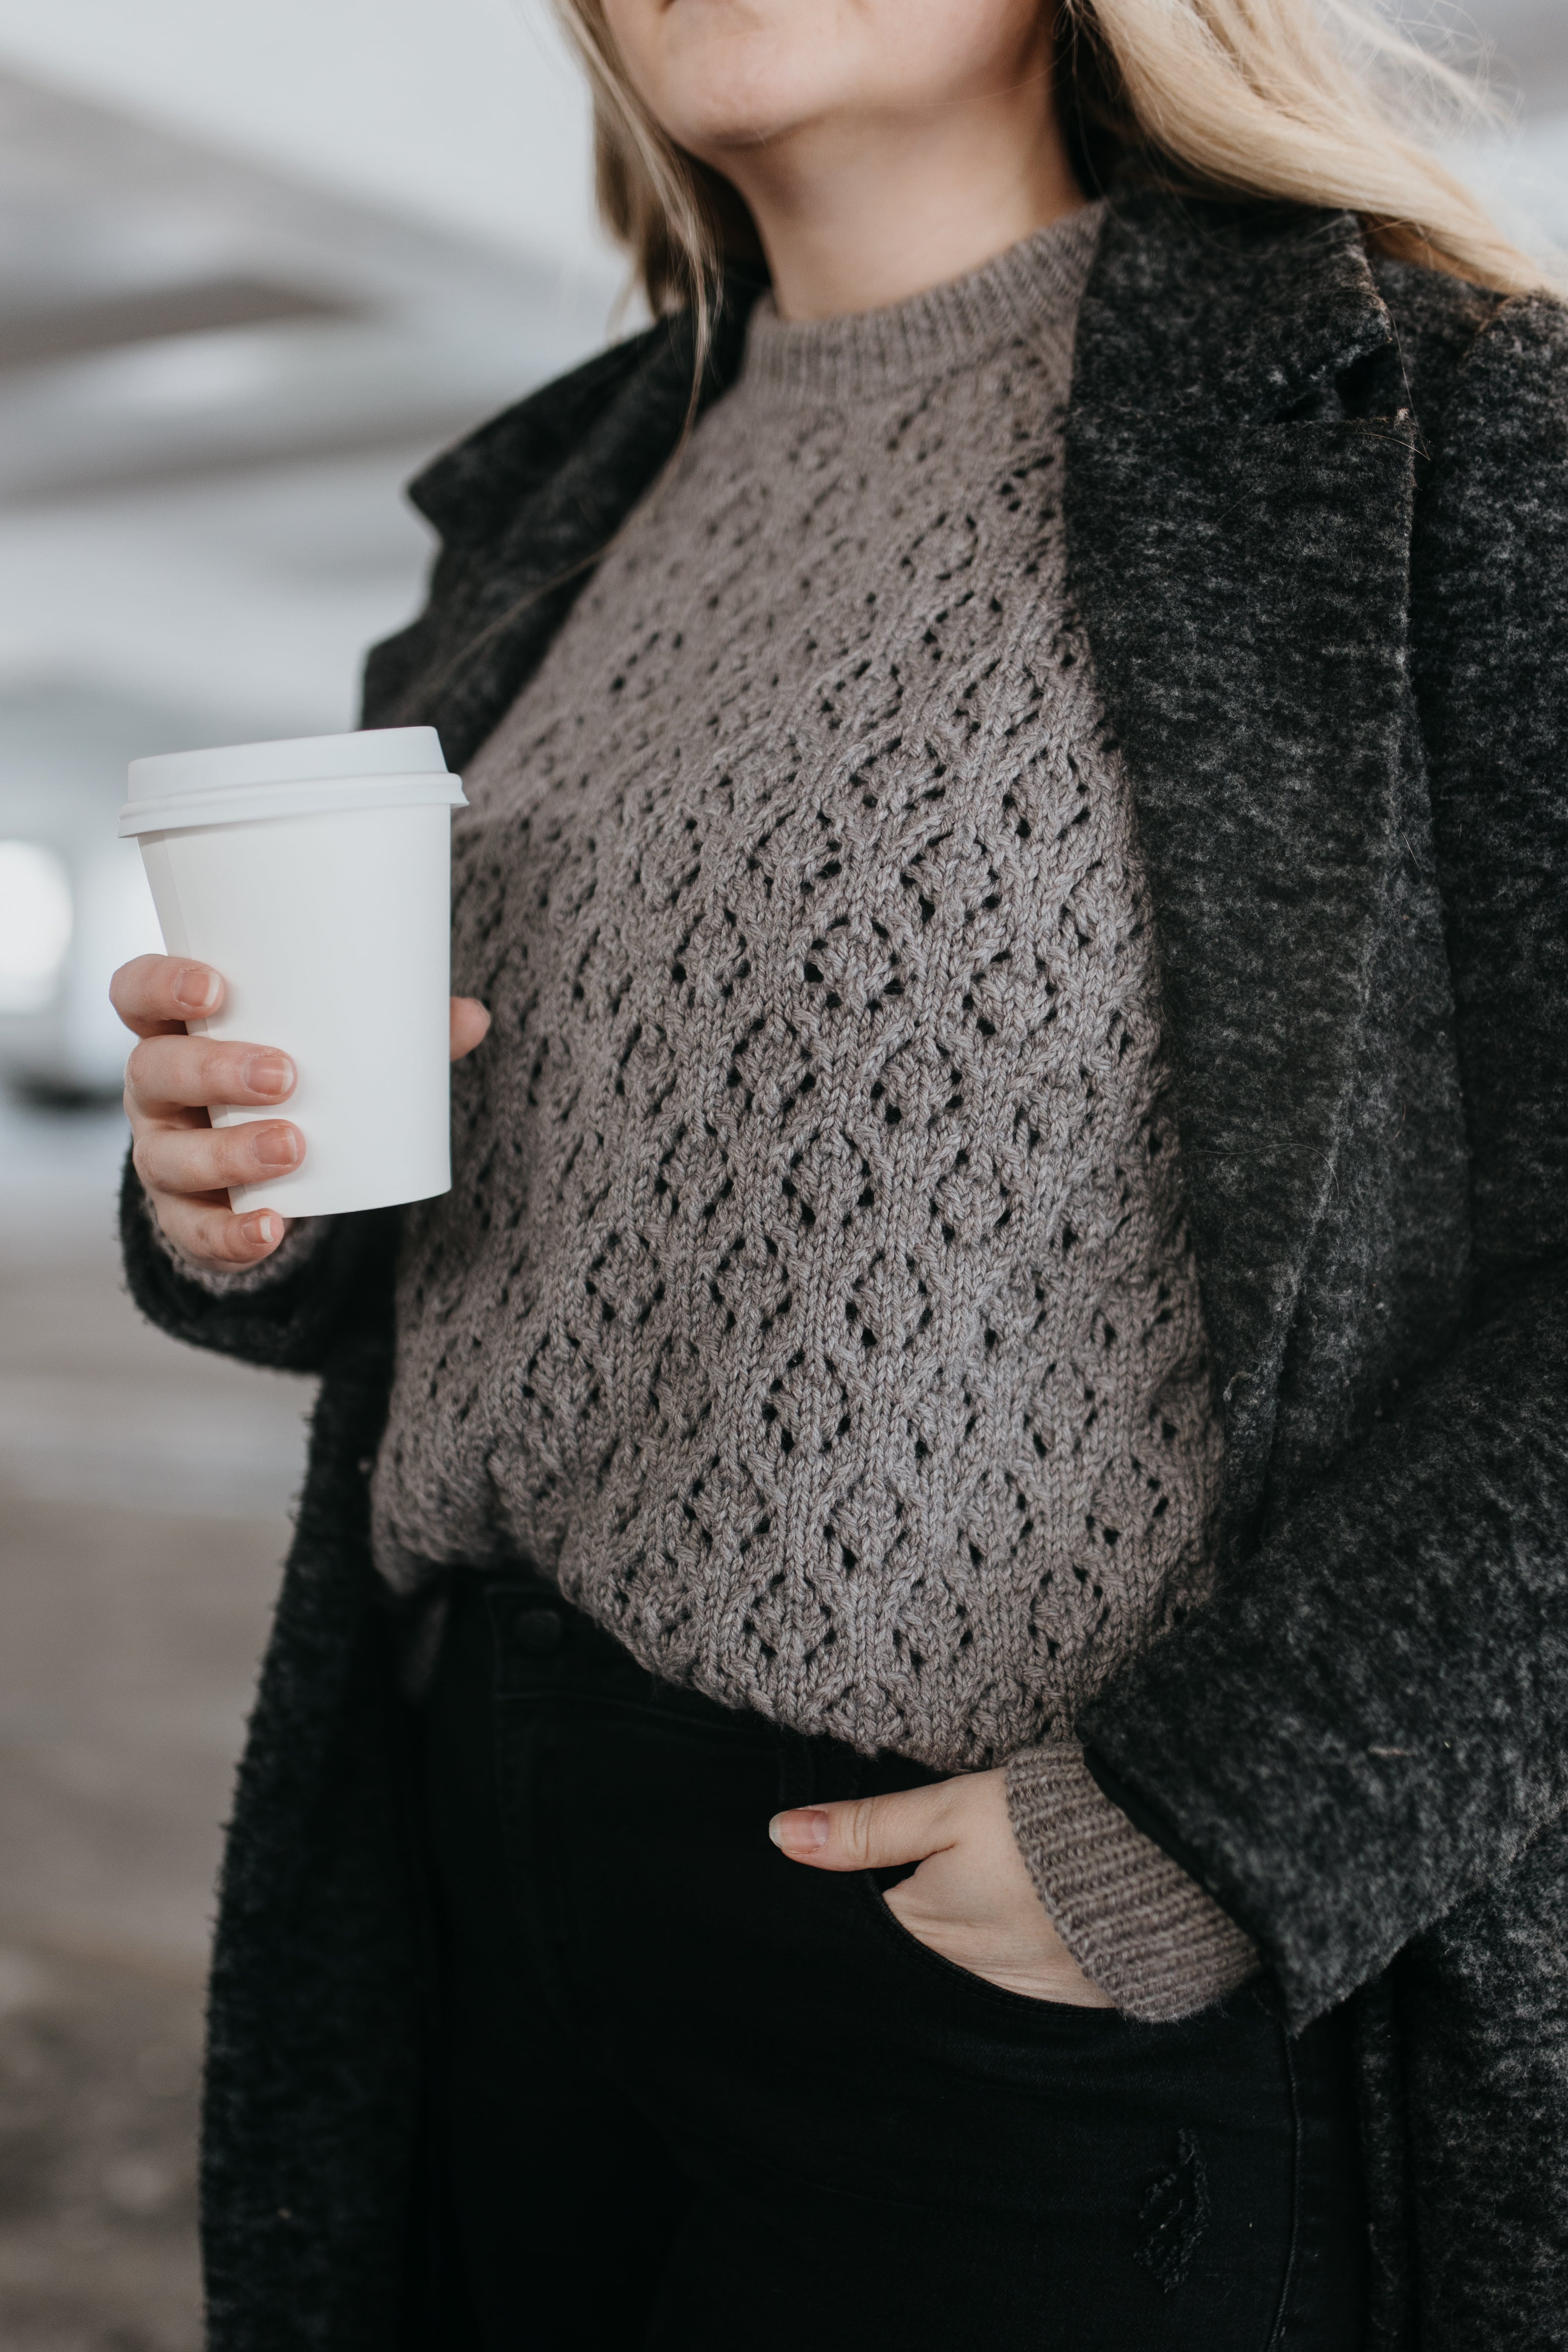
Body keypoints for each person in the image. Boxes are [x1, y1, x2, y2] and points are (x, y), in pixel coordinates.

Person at [111, 0, 1568, 2346]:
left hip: (1036, 1972)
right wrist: (230, 1194)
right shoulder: (571, 493)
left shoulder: (1443, 425)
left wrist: (1227, 1814)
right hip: (482, 1862)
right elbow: (455, 1225)